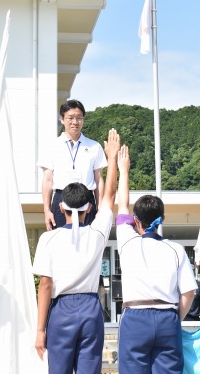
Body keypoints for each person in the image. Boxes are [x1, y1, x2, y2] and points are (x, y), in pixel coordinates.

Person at [33, 128, 120, 374]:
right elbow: (110, 195)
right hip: (91, 308)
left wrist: (40, 330)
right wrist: (112, 158)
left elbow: (45, 285)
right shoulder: (97, 233)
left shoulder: (49, 239)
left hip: (61, 309)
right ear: (89, 207)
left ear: (60, 207)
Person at [115, 145, 197, 373]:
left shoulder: (127, 241)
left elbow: (122, 205)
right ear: (162, 219)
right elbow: (189, 292)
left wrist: (124, 170)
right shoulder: (176, 249)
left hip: (135, 316)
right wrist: (174, 317)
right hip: (167, 317)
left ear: (135, 221)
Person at [40, 99, 107, 230]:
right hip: (61, 199)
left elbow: (99, 179)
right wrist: (46, 210)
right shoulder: (51, 146)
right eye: (70, 118)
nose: (75, 122)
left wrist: (100, 208)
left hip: (87, 200)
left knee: (88, 239)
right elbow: (47, 180)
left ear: (83, 120)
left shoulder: (94, 146)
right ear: (62, 119)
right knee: (61, 238)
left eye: (79, 118)